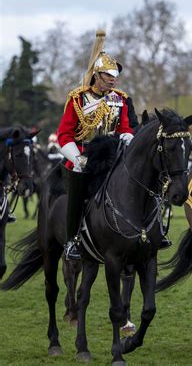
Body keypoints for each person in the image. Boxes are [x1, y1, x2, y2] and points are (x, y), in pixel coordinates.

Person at [57, 30, 137, 261]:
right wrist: (77, 158)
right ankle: (72, 240)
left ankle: (150, 230)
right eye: (108, 75)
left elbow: (124, 128)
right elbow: (63, 135)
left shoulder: (119, 99)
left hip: (113, 153)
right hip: (84, 154)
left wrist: (129, 138)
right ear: (96, 75)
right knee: (78, 185)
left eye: (115, 76)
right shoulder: (78, 99)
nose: (113, 79)